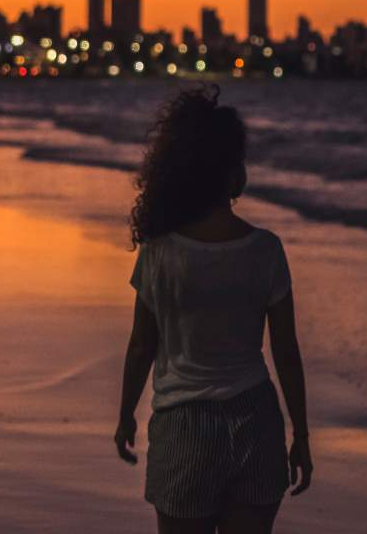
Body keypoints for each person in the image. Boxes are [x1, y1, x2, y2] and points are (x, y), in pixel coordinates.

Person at [114, 86, 312, 534]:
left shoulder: (160, 252)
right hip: (256, 423)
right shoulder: (265, 249)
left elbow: (143, 344)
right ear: (231, 172)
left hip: (185, 430)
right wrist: (300, 435)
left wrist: (126, 412)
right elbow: (286, 352)